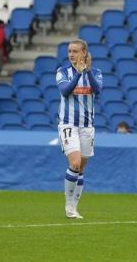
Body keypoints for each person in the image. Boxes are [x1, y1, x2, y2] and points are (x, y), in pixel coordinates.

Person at [56, 39, 103, 219]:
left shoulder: (96, 73)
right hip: (68, 124)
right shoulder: (63, 71)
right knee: (74, 163)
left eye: (75, 51)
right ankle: (68, 205)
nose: (71, 54)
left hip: (87, 126)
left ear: (84, 53)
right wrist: (77, 74)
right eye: (69, 51)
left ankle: (74, 207)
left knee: (81, 169)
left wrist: (87, 72)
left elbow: (97, 90)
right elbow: (65, 91)